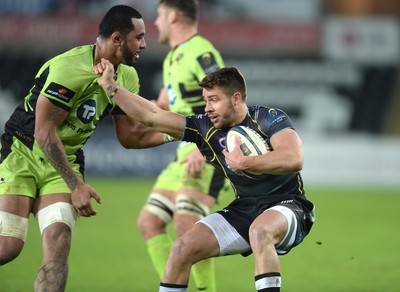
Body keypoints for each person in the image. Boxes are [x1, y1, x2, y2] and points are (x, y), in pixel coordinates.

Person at [94, 61, 316, 292]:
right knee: (181, 248)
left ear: (236, 98)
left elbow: (294, 158)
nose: (207, 107)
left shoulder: (268, 118)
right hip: (245, 208)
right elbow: (152, 116)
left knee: (260, 231)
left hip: (289, 206)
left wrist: (246, 162)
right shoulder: (203, 127)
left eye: (214, 100)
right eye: (205, 100)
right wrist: (112, 87)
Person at [0, 5, 162, 291]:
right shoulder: (69, 68)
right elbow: (43, 132)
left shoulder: (127, 78)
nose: (145, 44)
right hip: (22, 153)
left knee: (58, 241)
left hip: (64, 162)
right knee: (8, 246)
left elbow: (129, 137)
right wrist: (76, 184)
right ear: (117, 39)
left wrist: (178, 135)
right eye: (139, 37)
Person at [136, 1, 228, 290]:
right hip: (184, 154)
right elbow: (169, 102)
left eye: (160, 14)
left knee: (186, 225)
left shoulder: (200, 51)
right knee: (149, 221)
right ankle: (175, 285)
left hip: (207, 152)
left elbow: (224, 97)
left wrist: (202, 148)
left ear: (174, 16)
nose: (156, 22)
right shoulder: (173, 58)